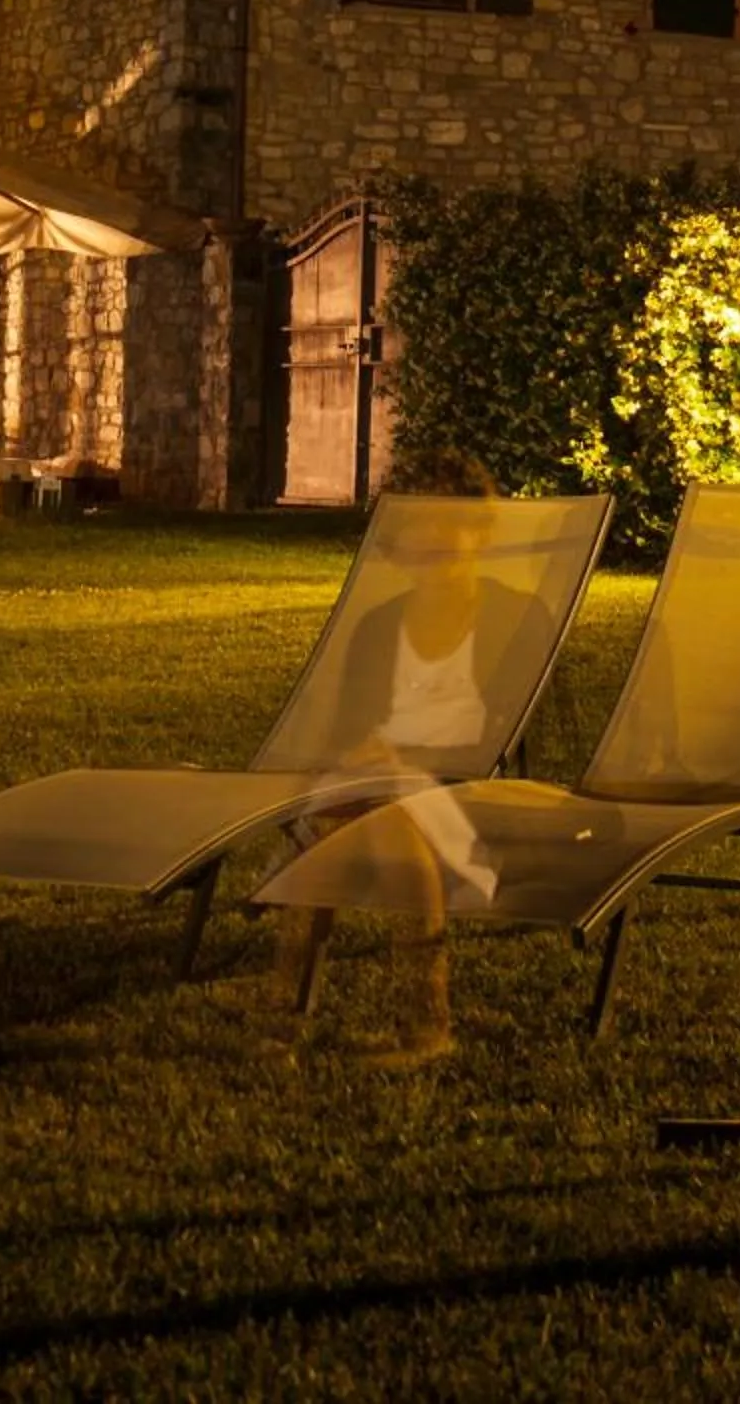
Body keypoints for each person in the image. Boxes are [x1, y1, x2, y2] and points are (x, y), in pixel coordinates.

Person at [276, 445, 522, 1066]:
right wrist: (362, 751)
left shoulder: (515, 618)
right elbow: (347, 727)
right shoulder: (380, 624)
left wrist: (407, 757)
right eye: (419, 529)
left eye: (451, 527)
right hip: (376, 782)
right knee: (357, 811)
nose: (434, 543)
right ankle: (285, 1013)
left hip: (468, 797)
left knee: (381, 825)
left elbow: (517, 740)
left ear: (482, 531)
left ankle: (421, 1026)